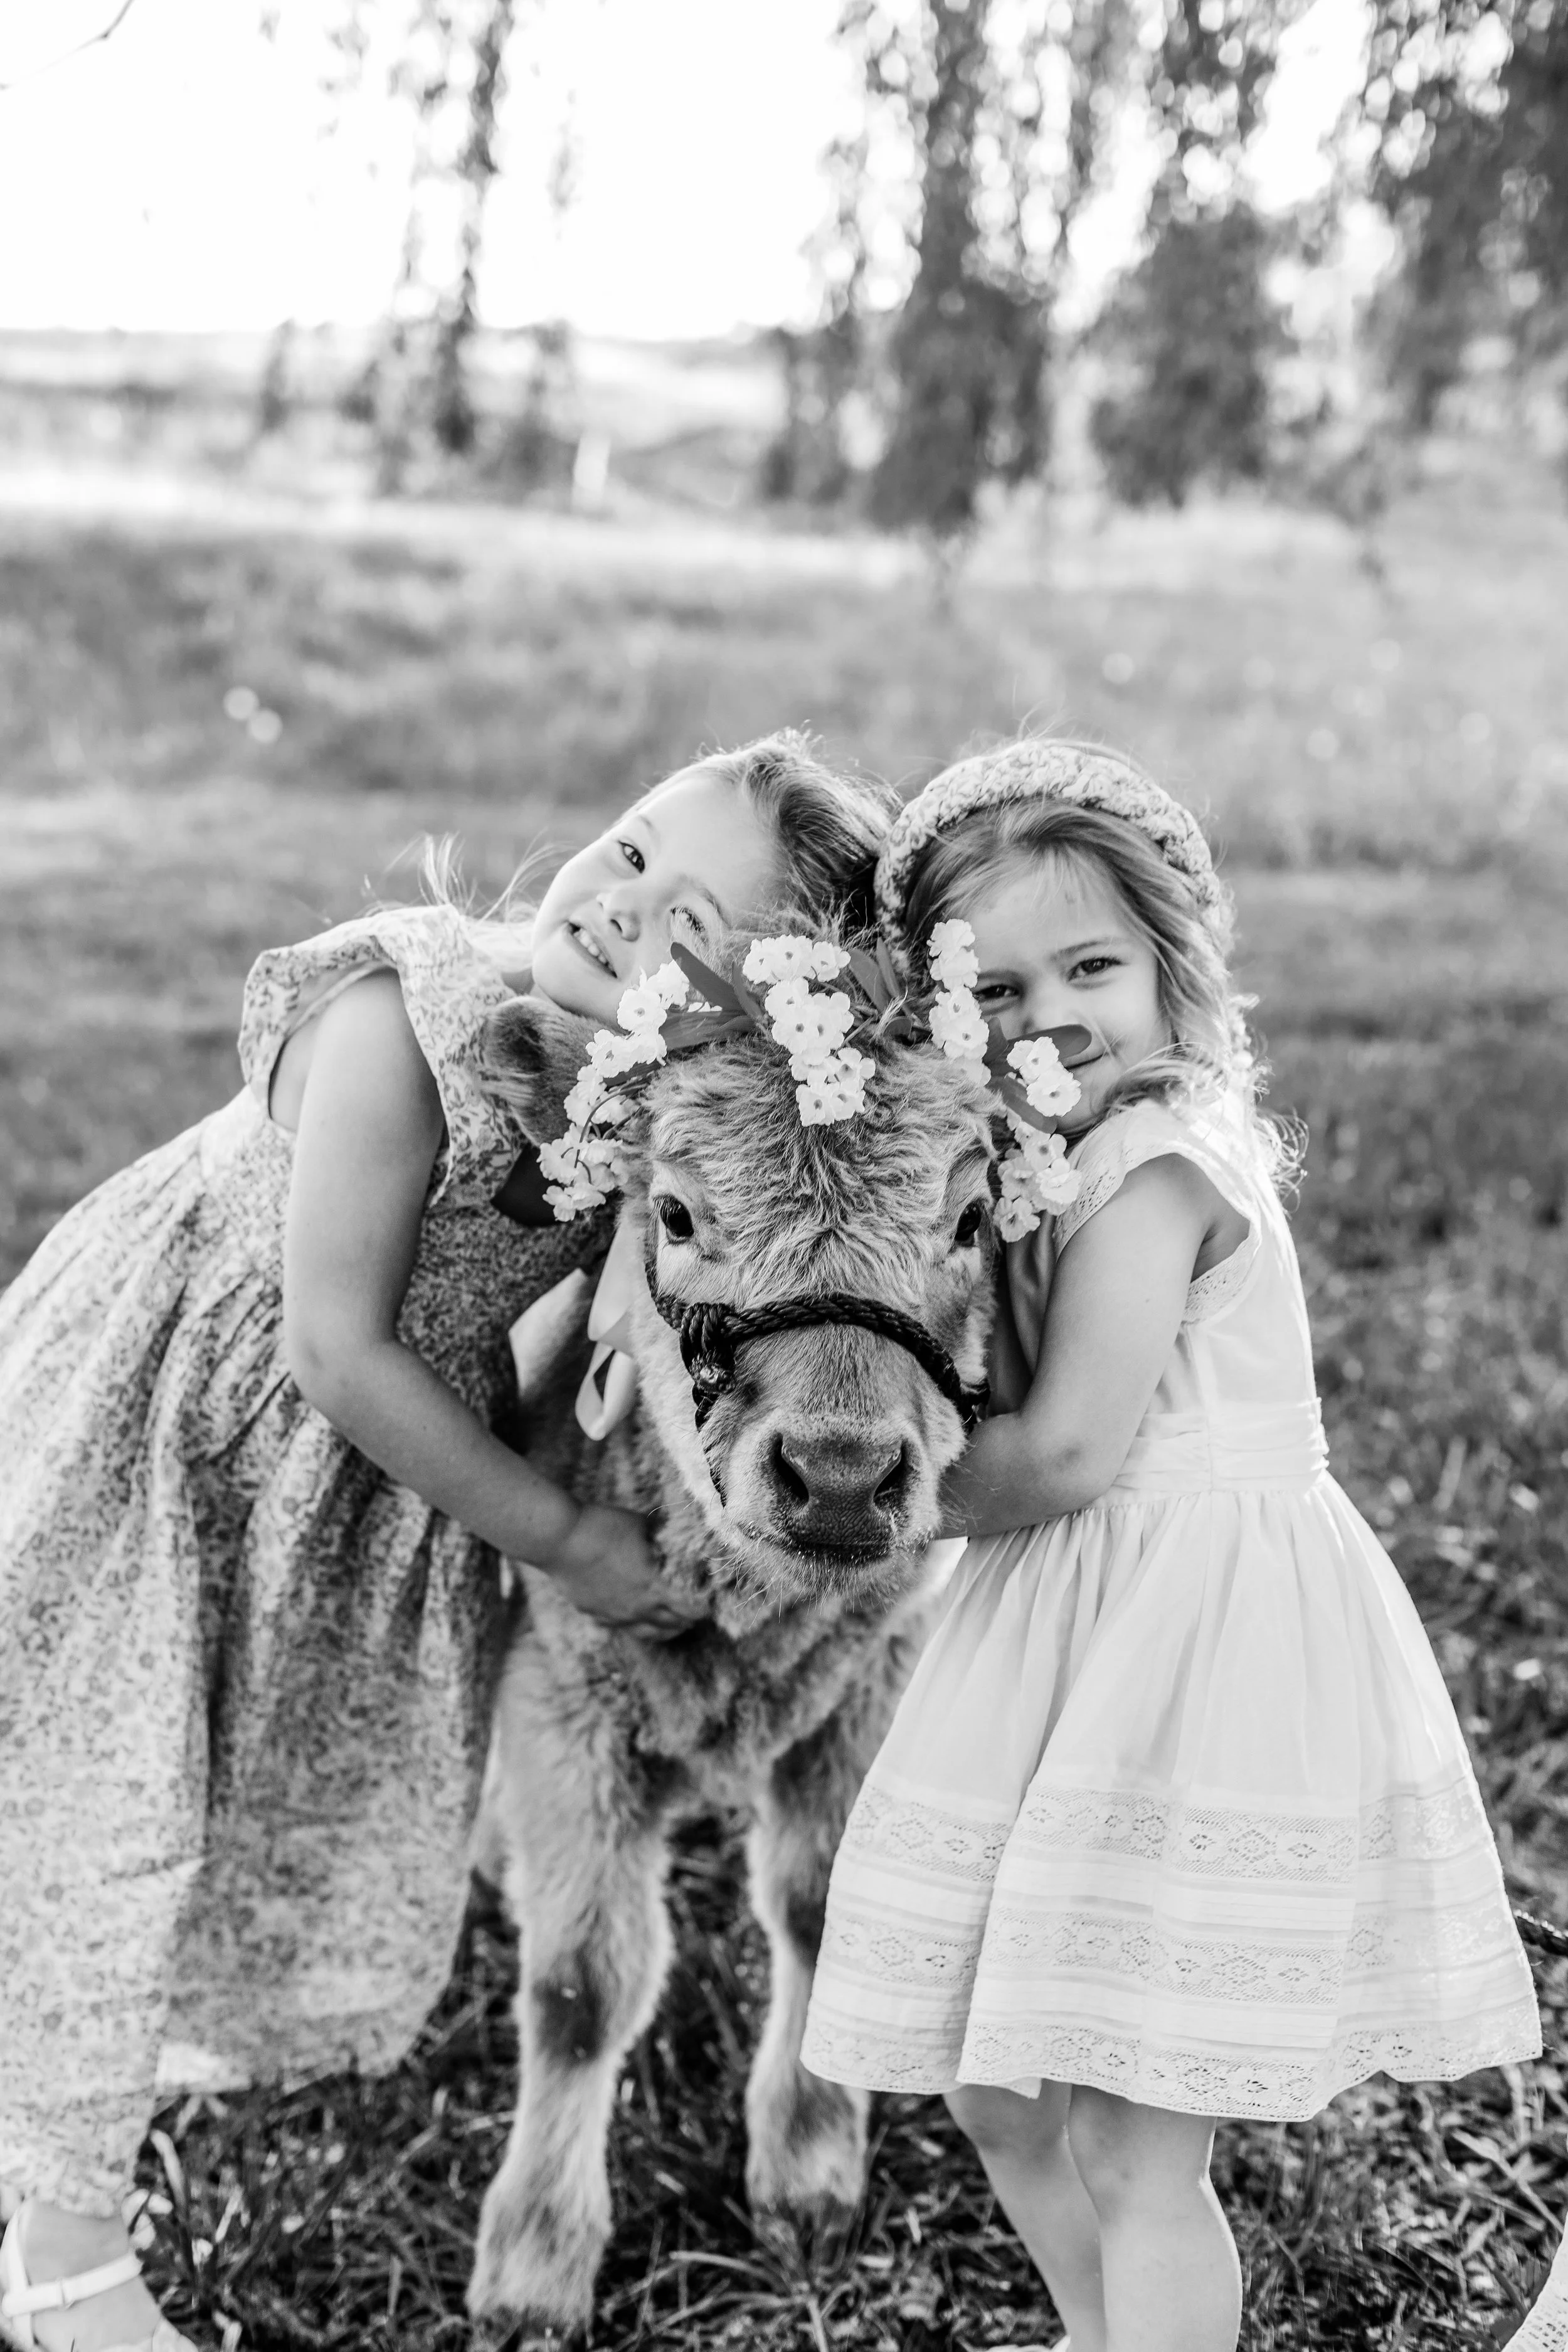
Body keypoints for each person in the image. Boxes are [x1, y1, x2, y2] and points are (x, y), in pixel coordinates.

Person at [0, 733, 891, 2352]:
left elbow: (607, 1305)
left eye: (692, 925)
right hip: (176, 1436)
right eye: (627, 852)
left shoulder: (639, 1112)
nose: (624, 909)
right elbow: (333, 1348)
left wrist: (630, 1399)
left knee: (216, 1801)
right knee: (107, 1793)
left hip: (329, 1497)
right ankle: (65, 2262)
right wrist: (558, 1527)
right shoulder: (397, 1016)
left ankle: (59, 2100)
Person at [800, 739, 1541, 2352]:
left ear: (1167, 968)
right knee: (999, 2093)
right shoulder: (1041, 1163)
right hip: (1071, 1627)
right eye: (990, 989)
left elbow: (1065, 1453)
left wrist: (826, 1515)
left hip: (1185, 1633)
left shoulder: (1147, 1165)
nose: (1047, 1014)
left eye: (1090, 968)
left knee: (1135, 2140)